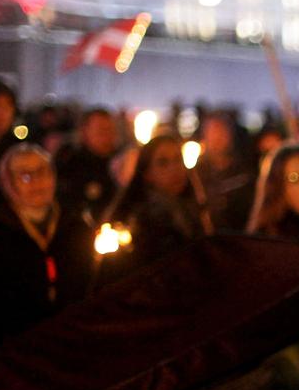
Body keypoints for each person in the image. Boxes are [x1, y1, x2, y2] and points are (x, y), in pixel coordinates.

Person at [0, 144, 93, 354]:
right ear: (8, 183)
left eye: (42, 172)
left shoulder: (74, 224)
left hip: (70, 340)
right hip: (12, 346)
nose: (37, 182)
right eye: (25, 176)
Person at [101, 134, 210, 281]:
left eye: (178, 159)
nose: (174, 168)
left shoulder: (191, 210)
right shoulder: (138, 222)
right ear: (147, 174)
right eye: (163, 163)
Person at [55, 107, 123, 224]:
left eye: (110, 130)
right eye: (101, 131)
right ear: (84, 132)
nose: (107, 136)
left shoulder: (122, 161)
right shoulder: (70, 164)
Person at [193, 111, 256, 232]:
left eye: (222, 131)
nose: (218, 138)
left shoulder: (246, 171)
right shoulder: (196, 176)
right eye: (213, 132)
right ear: (204, 137)